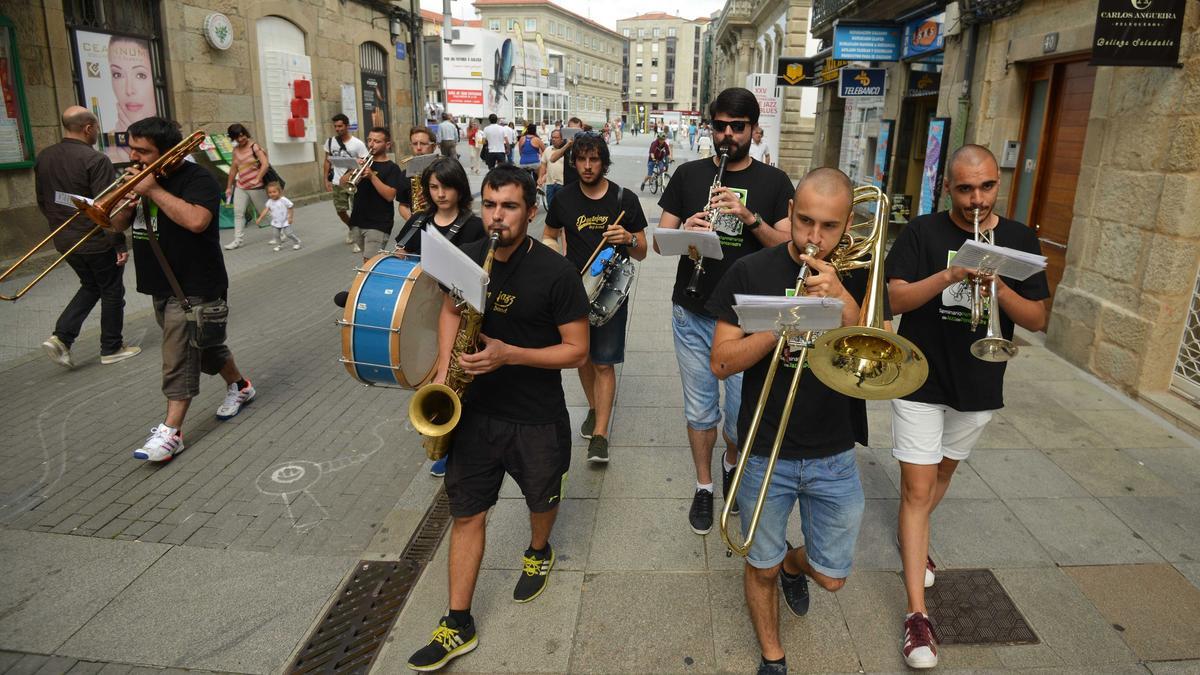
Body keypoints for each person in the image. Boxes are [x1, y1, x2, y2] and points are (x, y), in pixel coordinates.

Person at [405, 165, 589, 672]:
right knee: (467, 514)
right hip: (475, 413)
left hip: (535, 416)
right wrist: (444, 373)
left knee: (540, 500)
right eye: (489, 205)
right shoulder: (465, 257)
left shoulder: (557, 273)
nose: (496, 217)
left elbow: (577, 351)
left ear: (531, 212)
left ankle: (538, 548)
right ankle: (457, 622)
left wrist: (511, 355)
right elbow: (449, 310)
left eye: (508, 207)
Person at [884, 144, 1049, 669]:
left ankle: (916, 532)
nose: (976, 199)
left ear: (997, 184)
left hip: (980, 380)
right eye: (964, 189)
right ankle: (917, 615)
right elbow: (896, 301)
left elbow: (1039, 319)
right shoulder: (922, 234)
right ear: (946, 187)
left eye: (986, 187)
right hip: (919, 377)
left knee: (939, 478)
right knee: (915, 487)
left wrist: (996, 284)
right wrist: (953, 275)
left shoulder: (1020, 239)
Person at [708, 168, 871, 675]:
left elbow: (881, 344)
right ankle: (773, 657)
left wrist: (840, 297)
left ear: (847, 226)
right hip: (764, 448)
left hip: (835, 452)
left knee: (832, 577)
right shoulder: (751, 270)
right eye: (803, 221)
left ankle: (795, 567)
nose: (813, 238)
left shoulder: (859, 274)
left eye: (828, 226)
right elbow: (721, 361)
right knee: (761, 566)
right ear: (790, 212)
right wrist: (787, 320)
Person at [653, 87, 794, 536]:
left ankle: (732, 460)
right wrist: (687, 231)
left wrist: (749, 217)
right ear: (710, 127)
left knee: (737, 415)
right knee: (700, 411)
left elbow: (789, 247)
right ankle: (704, 485)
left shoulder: (774, 182)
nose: (727, 135)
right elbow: (658, 241)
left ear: (754, 129)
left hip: (746, 319)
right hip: (692, 310)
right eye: (720, 126)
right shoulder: (689, 174)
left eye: (737, 127)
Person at [104, 117, 255, 462]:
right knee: (201, 346)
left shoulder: (196, 178)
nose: (135, 156)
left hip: (194, 283)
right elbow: (115, 225)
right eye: (132, 148)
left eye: (143, 151)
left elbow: (197, 221)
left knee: (177, 357)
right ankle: (241, 386)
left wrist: (152, 191)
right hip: (160, 281)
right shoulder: (143, 178)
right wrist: (125, 203)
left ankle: (171, 432)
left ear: (167, 151)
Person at [542, 133, 648, 463]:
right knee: (582, 356)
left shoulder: (624, 199)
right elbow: (549, 235)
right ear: (574, 162)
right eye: (582, 159)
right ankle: (593, 407)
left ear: (604, 161)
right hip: (573, 289)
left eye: (594, 159)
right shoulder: (563, 199)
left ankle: (600, 434)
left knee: (603, 361)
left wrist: (628, 237)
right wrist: (554, 261)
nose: (588, 166)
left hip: (610, 291)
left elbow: (642, 251)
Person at [35, 106, 141, 368]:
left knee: (92, 285)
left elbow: (42, 201)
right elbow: (107, 207)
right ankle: (112, 347)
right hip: (95, 239)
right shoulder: (95, 159)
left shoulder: (45, 156)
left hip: (63, 238)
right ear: (88, 128)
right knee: (112, 290)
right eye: (95, 127)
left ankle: (62, 338)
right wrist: (118, 243)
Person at [344, 126, 404, 259]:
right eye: (369, 140)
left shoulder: (392, 168)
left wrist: (372, 176)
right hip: (357, 221)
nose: (371, 144)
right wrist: (352, 169)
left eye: (377, 141)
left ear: (387, 145)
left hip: (379, 223)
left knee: (369, 262)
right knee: (370, 261)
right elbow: (343, 184)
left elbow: (390, 196)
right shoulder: (363, 162)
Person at [222, 123, 269, 250]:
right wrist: (228, 187)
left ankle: (282, 231)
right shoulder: (236, 150)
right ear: (233, 138)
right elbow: (233, 170)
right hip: (241, 186)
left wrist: (257, 179)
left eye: (242, 136)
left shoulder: (254, 147)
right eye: (237, 137)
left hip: (255, 187)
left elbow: (265, 164)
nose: (241, 139)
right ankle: (238, 240)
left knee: (265, 212)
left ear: (245, 134)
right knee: (238, 213)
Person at [323, 114, 369, 243]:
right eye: (335, 126)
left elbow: (365, 162)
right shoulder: (330, 142)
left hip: (354, 181)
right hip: (337, 181)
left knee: (356, 211)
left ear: (347, 126)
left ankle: (358, 236)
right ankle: (352, 228)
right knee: (340, 211)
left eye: (340, 126)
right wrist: (326, 179)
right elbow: (327, 161)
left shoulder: (357, 144)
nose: (337, 129)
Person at [399, 127, 438, 222]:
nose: (419, 148)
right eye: (415, 144)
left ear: (434, 146)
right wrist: (412, 221)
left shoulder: (447, 169)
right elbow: (403, 205)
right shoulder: (405, 174)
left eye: (423, 144)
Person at [254, 181, 300, 251]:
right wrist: (260, 218)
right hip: (276, 222)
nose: (272, 194)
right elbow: (265, 210)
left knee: (288, 234)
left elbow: (290, 207)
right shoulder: (269, 202)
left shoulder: (283, 200)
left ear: (279, 192)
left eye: (274, 192)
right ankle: (279, 245)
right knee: (276, 235)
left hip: (285, 221)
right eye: (270, 192)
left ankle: (296, 242)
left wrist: (290, 217)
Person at [545, 117, 584, 187]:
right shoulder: (566, 144)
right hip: (568, 183)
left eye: (576, 131)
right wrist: (567, 145)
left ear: (581, 130)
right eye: (571, 130)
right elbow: (552, 159)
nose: (574, 133)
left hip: (582, 183)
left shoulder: (585, 143)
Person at [538, 128, 566, 207]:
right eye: (552, 137)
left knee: (561, 207)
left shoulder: (566, 150)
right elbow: (543, 165)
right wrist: (540, 177)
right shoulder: (547, 150)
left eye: (556, 138)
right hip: (550, 184)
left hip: (562, 184)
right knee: (550, 207)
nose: (553, 139)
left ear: (562, 139)